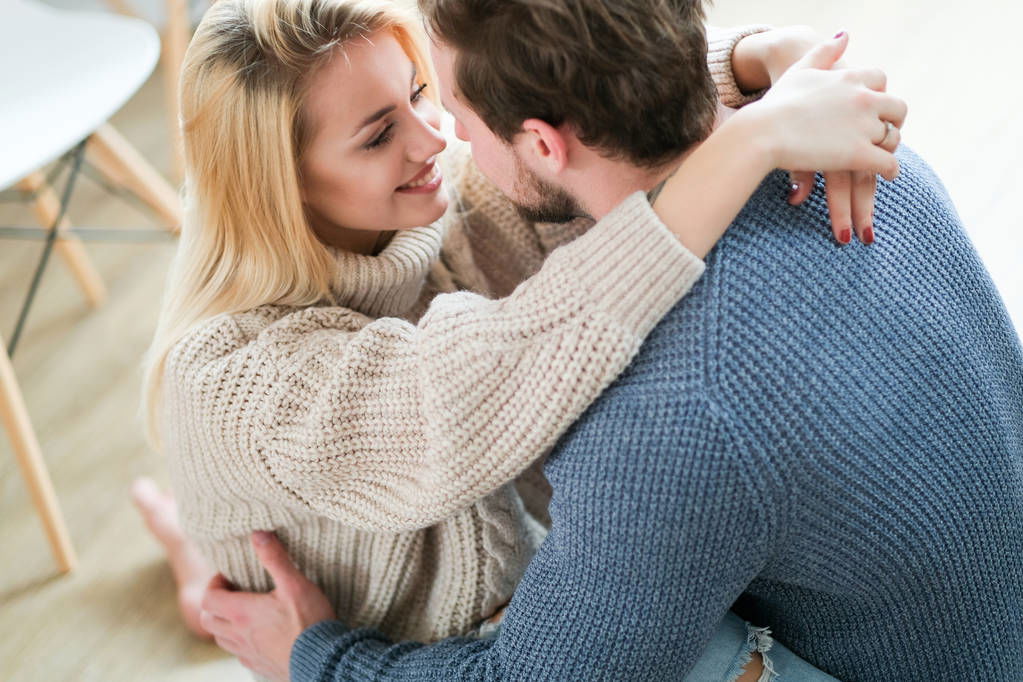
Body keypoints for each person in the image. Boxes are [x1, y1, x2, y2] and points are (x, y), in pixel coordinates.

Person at [195, 0, 1023, 681]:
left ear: (541, 143)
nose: (446, 139)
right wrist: (756, 112)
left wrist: (319, 658)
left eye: (440, 100)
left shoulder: (665, 416)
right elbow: (448, 382)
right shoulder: (858, 150)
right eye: (383, 130)